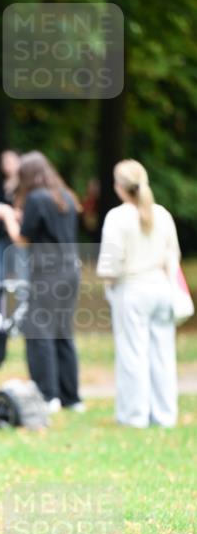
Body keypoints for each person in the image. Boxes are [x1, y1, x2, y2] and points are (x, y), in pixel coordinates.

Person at [0, 151, 82, 413]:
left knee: (38, 331)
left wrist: (8, 217)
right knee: (63, 331)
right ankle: (71, 396)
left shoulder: (34, 197)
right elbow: (46, 228)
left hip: (47, 272)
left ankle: (47, 394)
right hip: (70, 269)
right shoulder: (64, 196)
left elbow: (22, 240)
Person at [96, 160, 180, 427]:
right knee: (163, 353)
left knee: (133, 354)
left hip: (131, 288)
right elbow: (173, 255)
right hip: (161, 286)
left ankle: (134, 416)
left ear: (120, 187)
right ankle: (165, 414)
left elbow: (110, 264)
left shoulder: (117, 217)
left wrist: (109, 284)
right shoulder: (162, 214)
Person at [0, 149, 20, 283]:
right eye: (4, 161)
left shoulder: (25, 185)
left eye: (9, 160)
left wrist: (9, 213)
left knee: (19, 275)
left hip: (19, 237)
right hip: (0, 235)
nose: (6, 164)